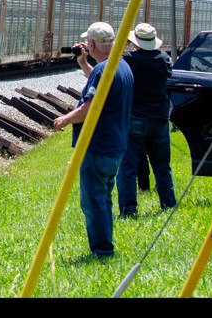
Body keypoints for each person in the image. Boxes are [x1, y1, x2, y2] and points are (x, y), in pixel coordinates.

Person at [53, 22, 134, 258]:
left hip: (98, 146)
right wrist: (83, 63)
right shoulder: (122, 66)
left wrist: (65, 120)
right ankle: (105, 245)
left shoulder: (103, 70)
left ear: (90, 44)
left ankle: (102, 250)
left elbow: (89, 108)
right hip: (116, 146)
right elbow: (102, 86)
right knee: (104, 199)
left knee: (93, 202)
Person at [116, 23, 176, 215]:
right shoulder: (164, 58)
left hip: (135, 117)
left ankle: (128, 209)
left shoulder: (128, 59)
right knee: (162, 167)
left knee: (128, 169)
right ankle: (168, 205)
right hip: (159, 117)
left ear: (136, 41)